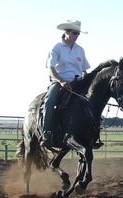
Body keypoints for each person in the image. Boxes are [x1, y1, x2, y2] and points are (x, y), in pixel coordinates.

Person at [41, 19, 103, 149]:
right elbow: (51, 68)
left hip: (78, 83)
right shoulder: (57, 48)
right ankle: (46, 134)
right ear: (66, 32)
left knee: (94, 102)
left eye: (78, 34)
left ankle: (94, 135)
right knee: (50, 101)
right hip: (60, 82)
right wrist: (61, 81)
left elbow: (84, 69)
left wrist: (87, 78)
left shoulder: (80, 50)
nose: (76, 36)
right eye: (74, 33)